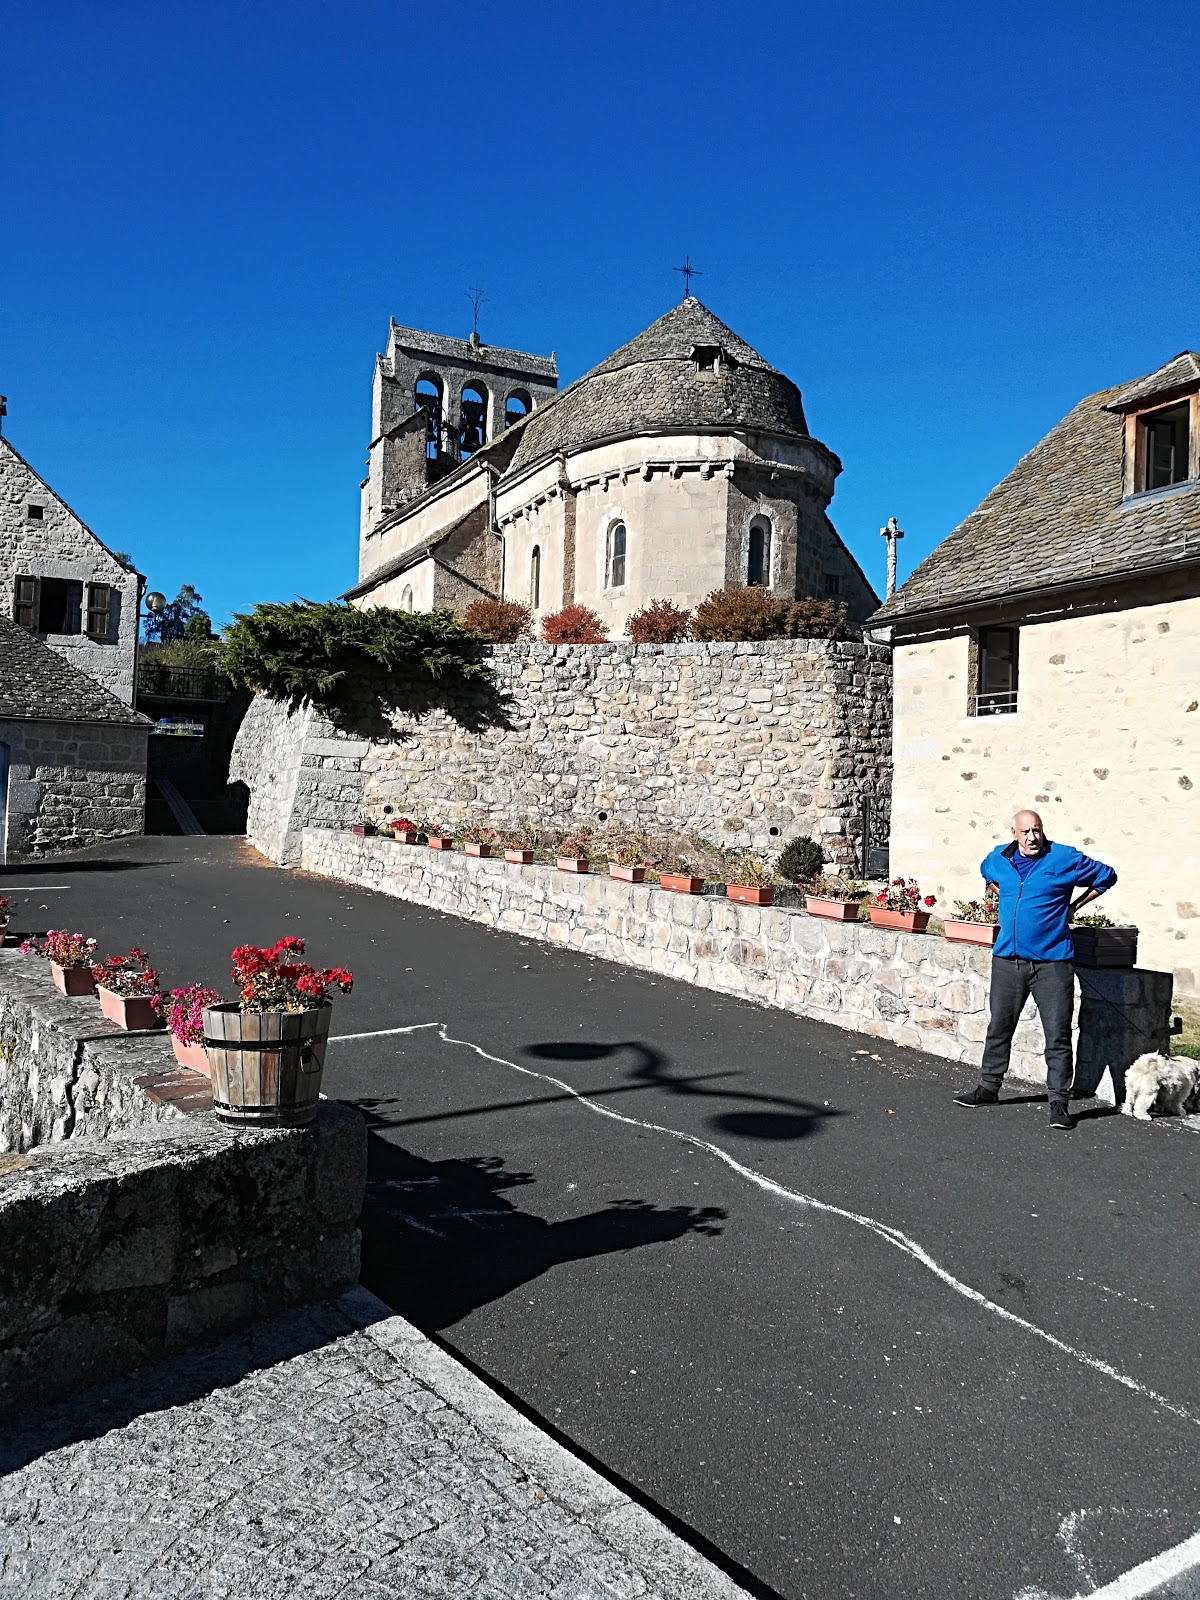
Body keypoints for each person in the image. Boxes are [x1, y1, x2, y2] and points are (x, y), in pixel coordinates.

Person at [953, 810, 1116, 1130]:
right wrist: (997, 889)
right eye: (1025, 832)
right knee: (999, 1027)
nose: (1032, 837)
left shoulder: (1064, 858)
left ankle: (1058, 1102)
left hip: (1052, 964)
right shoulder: (998, 858)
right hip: (1007, 962)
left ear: (1043, 831)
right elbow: (986, 871)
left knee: (1057, 1035)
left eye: (1037, 831)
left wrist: (1074, 906)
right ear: (1014, 833)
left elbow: (1107, 876)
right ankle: (988, 1089)